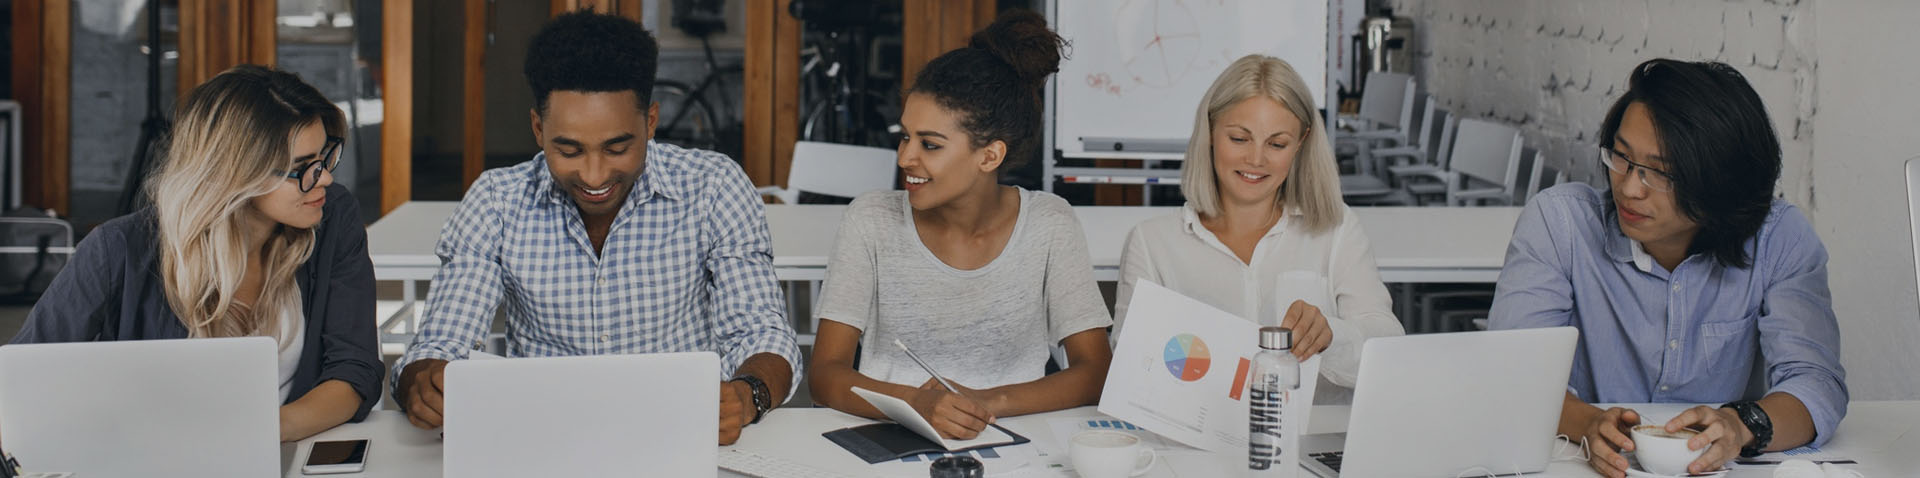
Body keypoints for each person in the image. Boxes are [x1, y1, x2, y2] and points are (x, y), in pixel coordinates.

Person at [391, 11, 800, 446]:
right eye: (568, 149)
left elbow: (761, 331)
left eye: (617, 147)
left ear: (651, 123)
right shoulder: (496, 201)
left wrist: (748, 394)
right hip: (540, 442)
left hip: (678, 437)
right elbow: (439, 343)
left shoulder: (714, 186)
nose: (593, 175)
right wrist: (423, 384)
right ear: (537, 128)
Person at [1490, 59, 1846, 477]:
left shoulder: (1778, 238)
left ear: (1722, 182)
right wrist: (1586, 424)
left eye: (1660, 173)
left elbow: (1817, 383)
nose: (1628, 187)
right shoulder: (1561, 224)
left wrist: (1740, 425)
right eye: (1620, 157)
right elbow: (1512, 372)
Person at [11, 65, 382, 442]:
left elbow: (354, 370)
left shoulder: (331, 216)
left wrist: (256, 434)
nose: (325, 178)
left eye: (325, 157)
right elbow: (20, 381)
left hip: (286, 456)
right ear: (234, 173)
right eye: (302, 168)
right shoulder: (118, 250)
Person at [806, 10, 1114, 440]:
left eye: (929, 144)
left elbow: (1096, 371)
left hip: (1018, 442)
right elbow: (824, 375)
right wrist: (916, 404)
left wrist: (987, 403)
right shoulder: (870, 219)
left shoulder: (1049, 224)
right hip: (885, 437)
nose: (905, 158)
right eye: (904, 136)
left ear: (989, 156)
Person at [1113, 54, 1404, 403]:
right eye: (1239, 139)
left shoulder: (1335, 229)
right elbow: (1129, 368)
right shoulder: (1152, 243)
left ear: (1301, 143)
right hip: (1198, 450)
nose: (1256, 159)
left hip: (1313, 443)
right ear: (1210, 131)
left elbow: (1387, 347)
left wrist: (1332, 336)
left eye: (1277, 144)